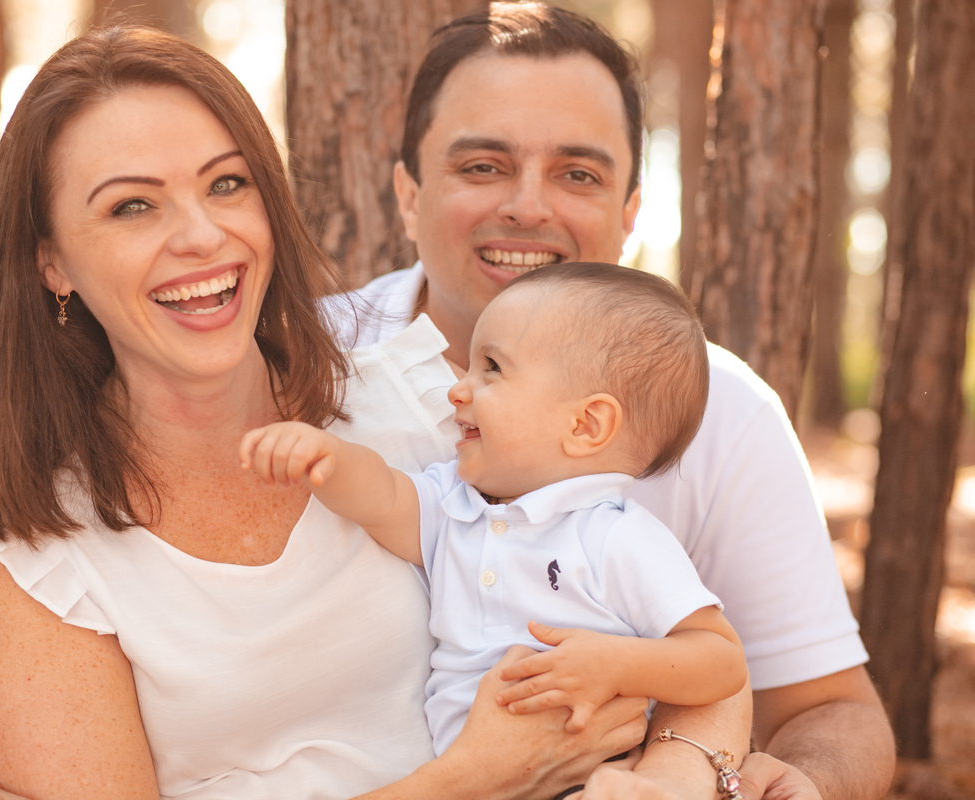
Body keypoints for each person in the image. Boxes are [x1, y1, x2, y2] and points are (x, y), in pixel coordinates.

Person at [0, 21, 682, 800]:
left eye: (226, 184)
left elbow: (683, 641)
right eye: (132, 206)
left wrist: (678, 772)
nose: (202, 236)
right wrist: (470, 780)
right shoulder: (36, 536)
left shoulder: (429, 409)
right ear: (51, 261)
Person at [338, 3, 895, 798]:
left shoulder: (724, 410)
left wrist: (801, 781)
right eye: (484, 166)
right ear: (407, 194)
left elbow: (831, 706)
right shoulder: (301, 367)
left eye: (578, 174)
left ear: (630, 211)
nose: (528, 207)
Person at [242, 262, 749, 760]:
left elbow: (721, 659)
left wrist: (619, 665)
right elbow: (385, 498)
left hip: (590, 770)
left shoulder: (616, 537)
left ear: (585, 426)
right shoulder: (458, 504)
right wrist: (328, 457)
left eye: (492, 368)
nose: (457, 389)